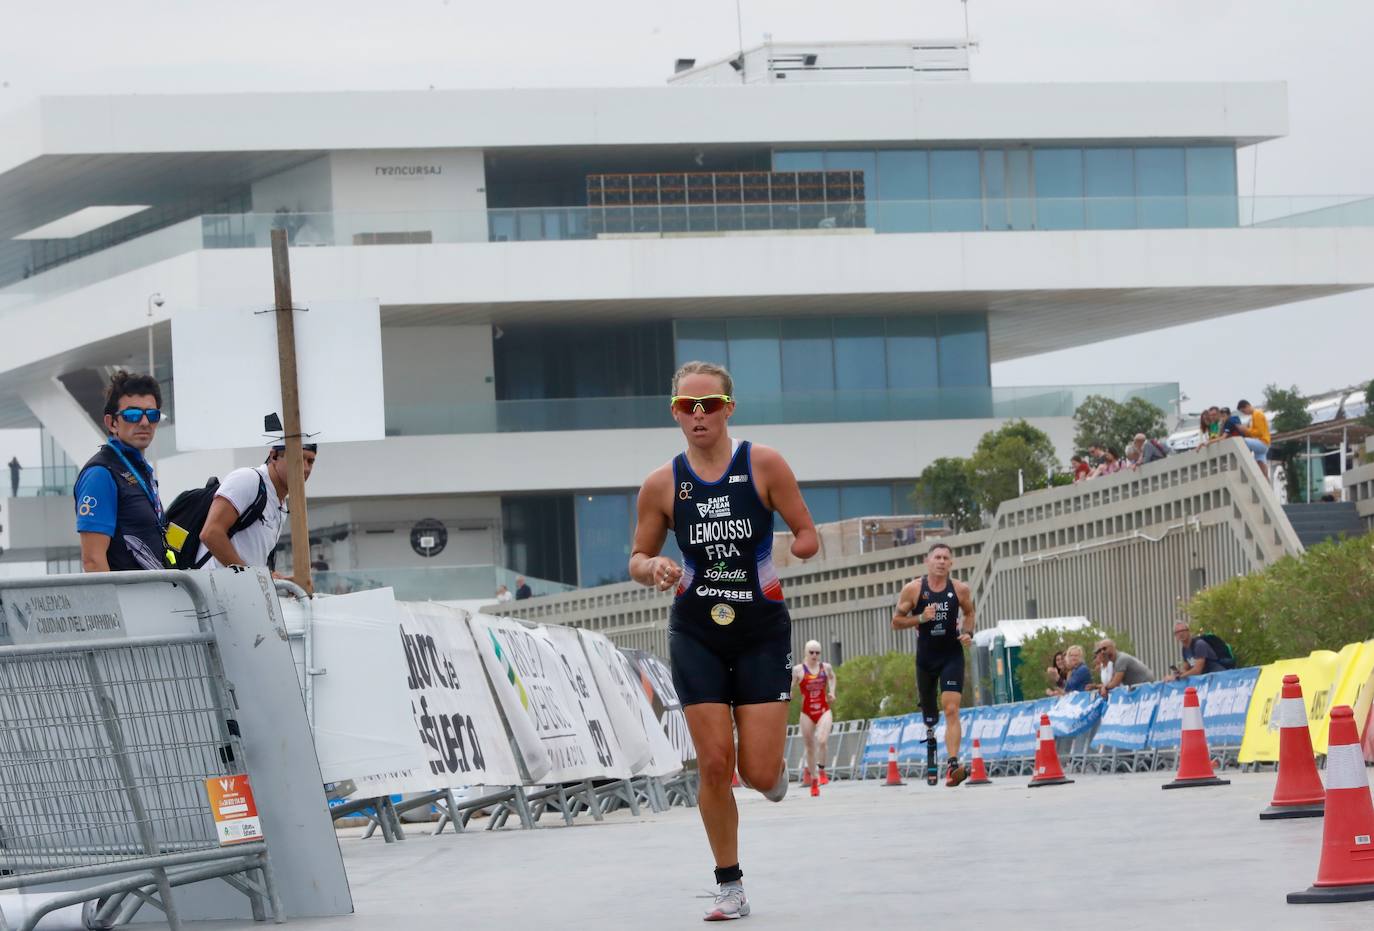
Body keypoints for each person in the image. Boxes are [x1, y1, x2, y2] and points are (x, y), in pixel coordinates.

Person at [627, 360, 818, 922]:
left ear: (729, 408)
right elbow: (637, 557)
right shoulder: (662, 483)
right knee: (713, 762)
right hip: (696, 631)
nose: (699, 415)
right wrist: (654, 567)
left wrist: (793, 548)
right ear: (676, 414)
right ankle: (729, 885)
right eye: (688, 407)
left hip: (760, 629)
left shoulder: (763, 463)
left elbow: (806, 533)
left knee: (757, 772)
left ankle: (775, 774)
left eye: (709, 404)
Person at [892, 542, 976, 787]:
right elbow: (895, 622)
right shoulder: (913, 590)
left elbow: (969, 613)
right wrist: (920, 618)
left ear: (951, 563)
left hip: (951, 655)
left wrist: (968, 633)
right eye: (937, 557)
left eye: (946, 558)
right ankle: (930, 731)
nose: (941, 561)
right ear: (927, 561)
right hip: (926, 659)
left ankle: (952, 765)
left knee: (951, 709)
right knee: (931, 715)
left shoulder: (960, 589)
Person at [75, 371, 167, 572]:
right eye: (132, 415)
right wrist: (113, 605)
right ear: (112, 423)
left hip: (155, 597)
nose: (144, 423)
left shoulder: (139, 470)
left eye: (152, 415)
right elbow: (92, 560)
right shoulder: (101, 474)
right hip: (128, 601)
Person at [195, 443, 318, 571]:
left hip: (239, 588)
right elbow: (210, 533)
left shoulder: (281, 506)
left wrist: (281, 581)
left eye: (310, 461)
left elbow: (255, 562)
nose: (305, 468)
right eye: (297, 459)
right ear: (274, 456)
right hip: (211, 587)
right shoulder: (248, 479)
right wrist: (252, 578)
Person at [792, 640, 836, 798]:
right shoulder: (798, 670)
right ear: (806, 652)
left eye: (817, 653)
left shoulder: (826, 667)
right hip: (807, 712)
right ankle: (814, 780)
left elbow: (832, 677)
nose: (814, 656)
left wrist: (832, 692)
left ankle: (822, 769)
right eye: (811, 652)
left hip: (823, 709)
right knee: (810, 747)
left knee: (822, 740)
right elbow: (790, 685)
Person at [1236, 400, 1271, 480]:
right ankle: (1266, 482)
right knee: (1260, 464)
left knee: (1243, 441)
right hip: (1262, 443)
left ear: (1247, 406)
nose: (1244, 413)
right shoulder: (1254, 415)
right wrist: (1247, 430)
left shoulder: (1257, 414)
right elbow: (1255, 432)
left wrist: (1246, 430)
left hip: (1262, 442)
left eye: (1243, 411)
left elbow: (1259, 432)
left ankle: (1245, 460)